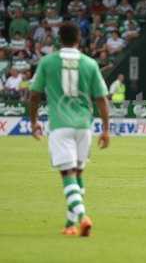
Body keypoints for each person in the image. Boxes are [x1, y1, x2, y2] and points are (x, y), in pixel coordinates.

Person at [29, 22, 110, 236]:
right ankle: (69, 225)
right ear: (78, 39)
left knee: (67, 174)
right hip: (84, 126)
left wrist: (33, 121)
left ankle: (83, 217)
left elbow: (34, 94)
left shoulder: (47, 62)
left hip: (60, 125)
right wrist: (106, 129)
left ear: (59, 39)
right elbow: (101, 99)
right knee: (77, 174)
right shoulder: (90, 63)